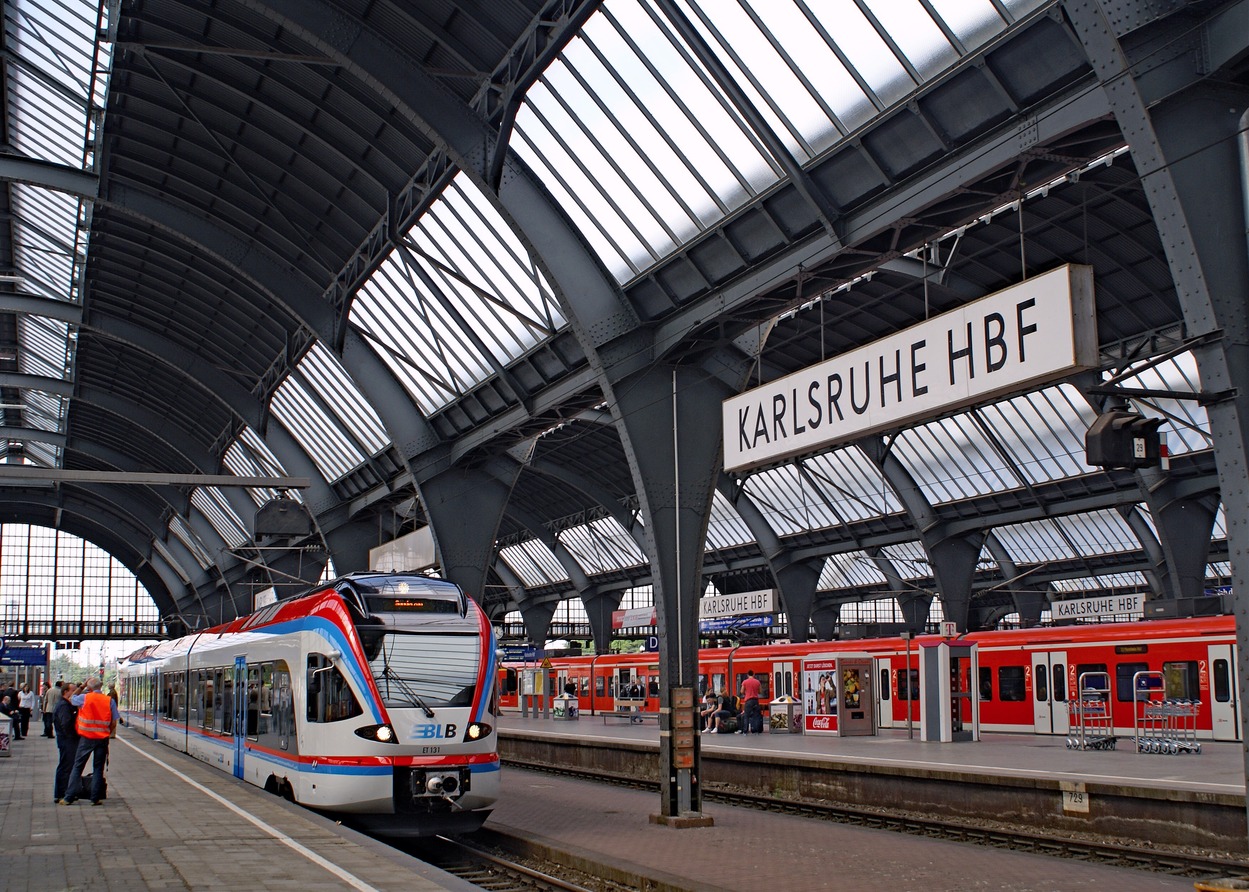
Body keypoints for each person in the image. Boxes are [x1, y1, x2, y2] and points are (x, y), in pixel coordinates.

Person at [61, 677, 117, 806]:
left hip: (86, 738)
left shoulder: (84, 698)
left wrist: (81, 687)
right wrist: (107, 732)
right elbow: (113, 722)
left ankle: (69, 797)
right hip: (102, 739)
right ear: (100, 687)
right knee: (98, 768)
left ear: (89, 688)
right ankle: (95, 798)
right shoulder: (109, 701)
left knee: (78, 766)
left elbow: (70, 699)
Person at [52, 683, 80, 804]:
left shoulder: (65, 704)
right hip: (67, 740)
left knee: (67, 766)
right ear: (66, 692)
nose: (75, 693)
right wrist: (74, 735)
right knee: (66, 766)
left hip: (67, 740)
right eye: (73, 690)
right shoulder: (64, 706)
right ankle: (62, 793)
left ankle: (65, 792)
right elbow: (66, 724)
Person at [740, 670, 763, 734]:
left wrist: (747, 693)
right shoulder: (757, 682)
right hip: (755, 700)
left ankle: (745, 730)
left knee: (746, 716)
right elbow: (760, 691)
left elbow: (741, 691)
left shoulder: (745, 682)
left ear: (747, 675)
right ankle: (756, 730)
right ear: (754, 674)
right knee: (756, 716)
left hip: (748, 700)